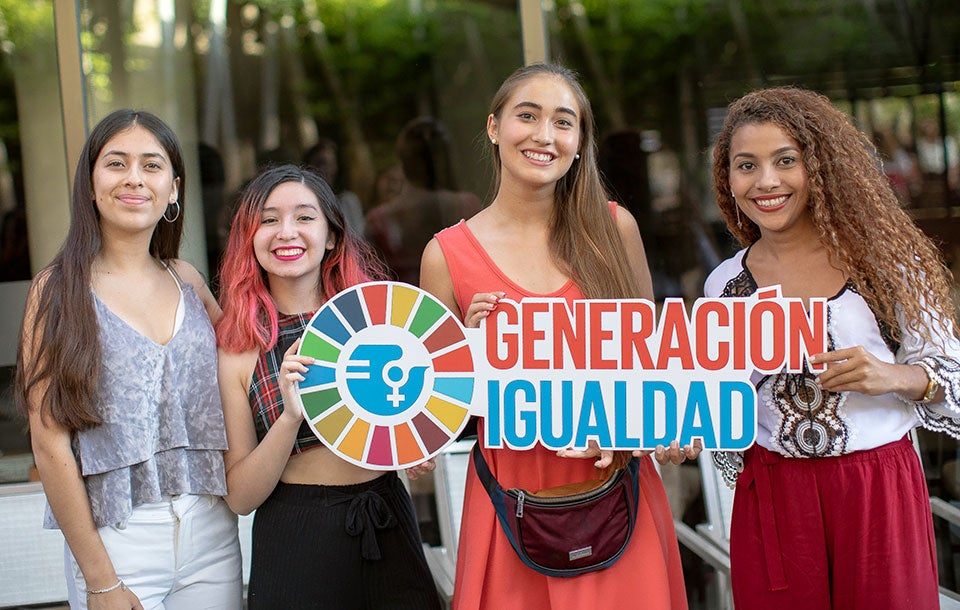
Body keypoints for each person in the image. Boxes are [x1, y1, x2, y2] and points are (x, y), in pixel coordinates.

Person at [419, 63, 694, 610]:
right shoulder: (445, 255)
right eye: (528, 116)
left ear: (578, 143)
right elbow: (433, 411)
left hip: (617, 493)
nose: (545, 135)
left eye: (563, 122)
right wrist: (466, 352)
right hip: (509, 503)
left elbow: (659, 366)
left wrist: (666, 430)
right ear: (494, 127)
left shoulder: (615, 230)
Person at [705, 87, 960, 610]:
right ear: (728, 179)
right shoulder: (723, 285)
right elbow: (716, 405)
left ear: (819, 167)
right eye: (746, 165)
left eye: (785, 161)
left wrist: (896, 376)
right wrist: (681, 428)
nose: (766, 182)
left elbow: (952, 376)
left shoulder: (886, 268)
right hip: (774, 499)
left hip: (877, 492)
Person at [15, 109, 242, 609]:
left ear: (174, 188)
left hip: (211, 531)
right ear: (91, 184)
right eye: (116, 163)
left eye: (151, 165)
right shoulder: (56, 292)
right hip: (117, 539)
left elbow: (250, 378)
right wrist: (101, 581)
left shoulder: (188, 281)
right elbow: (49, 444)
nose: (134, 178)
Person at [215, 164, 442, 609]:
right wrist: (289, 416)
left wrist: (417, 447)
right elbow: (240, 496)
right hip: (297, 532)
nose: (286, 232)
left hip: (387, 513)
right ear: (249, 237)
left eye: (304, 217)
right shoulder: (239, 348)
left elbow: (424, 410)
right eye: (268, 219)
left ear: (333, 235)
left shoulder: (380, 320)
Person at [366, 116, 481, 285]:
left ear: (403, 161)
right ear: (446, 159)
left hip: (404, 306)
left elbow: (372, 279)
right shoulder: (468, 206)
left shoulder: (379, 220)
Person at [303, 138, 366, 234]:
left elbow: (358, 237)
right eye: (320, 163)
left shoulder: (348, 202)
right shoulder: (300, 200)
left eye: (331, 164)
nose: (325, 169)